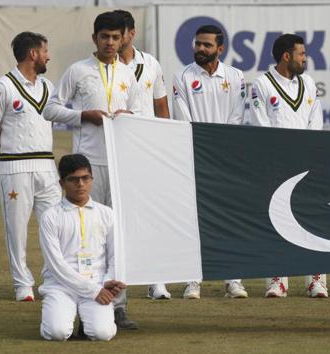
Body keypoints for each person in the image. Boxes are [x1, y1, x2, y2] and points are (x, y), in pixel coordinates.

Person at [43, 10, 141, 330]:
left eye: (116, 37)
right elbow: (51, 108)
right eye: (105, 37)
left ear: (124, 37)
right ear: (95, 38)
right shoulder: (77, 71)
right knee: (84, 236)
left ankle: (117, 305)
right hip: (86, 165)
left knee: (117, 238)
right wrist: (84, 115)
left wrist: (129, 117)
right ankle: (76, 297)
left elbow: (139, 114)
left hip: (121, 164)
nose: (111, 43)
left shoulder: (128, 74)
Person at [0, 32, 60, 302]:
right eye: (45, 50)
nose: (48, 55)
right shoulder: (3, 86)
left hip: (46, 167)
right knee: (16, 228)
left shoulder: (48, 86)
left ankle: (53, 279)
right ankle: (22, 284)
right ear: (33, 54)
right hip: (15, 168)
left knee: (55, 225)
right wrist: (14, 147)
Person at [172, 24, 248, 300]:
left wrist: (222, 146)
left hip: (226, 156)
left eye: (207, 45)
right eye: (198, 44)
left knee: (228, 217)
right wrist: (202, 146)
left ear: (220, 48)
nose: (201, 49)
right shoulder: (182, 76)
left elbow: (237, 116)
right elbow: (182, 117)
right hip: (193, 154)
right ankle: (193, 280)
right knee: (194, 219)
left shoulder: (236, 76)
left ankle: (233, 279)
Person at [249, 33, 326, 298]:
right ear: (286, 56)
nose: (305, 58)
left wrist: (308, 154)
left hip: (306, 163)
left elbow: (315, 123)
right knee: (276, 220)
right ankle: (277, 279)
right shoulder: (262, 84)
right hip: (275, 164)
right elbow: (261, 125)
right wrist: (281, 155)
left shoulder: (309, 84)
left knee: (311, 220)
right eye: (301, 54)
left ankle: (316, 279)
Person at [115, 9, 171, 300]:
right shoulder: (106, 66)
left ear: (131, 34)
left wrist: (165, 144)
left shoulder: (150, 64)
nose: (114, 40)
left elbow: (161, 105)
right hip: (115, 149)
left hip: (148, 149)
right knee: (116, 219)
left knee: (153, 216)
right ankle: (116, 281)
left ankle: (157, 280)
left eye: (119, 34)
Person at [39, 154, 126, 341]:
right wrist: (93, 291)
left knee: (103, 334)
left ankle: (87, 324)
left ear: (91, 180)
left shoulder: (107, 214)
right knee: (57, 332)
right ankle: (61, 317)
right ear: (62, 183)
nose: (80, 184)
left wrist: (109, 281)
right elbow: (56, 266)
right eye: (74, 179)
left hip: (97, 282)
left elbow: (114, 255)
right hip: (61, 285)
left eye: (85, 178)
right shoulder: (50, 217)